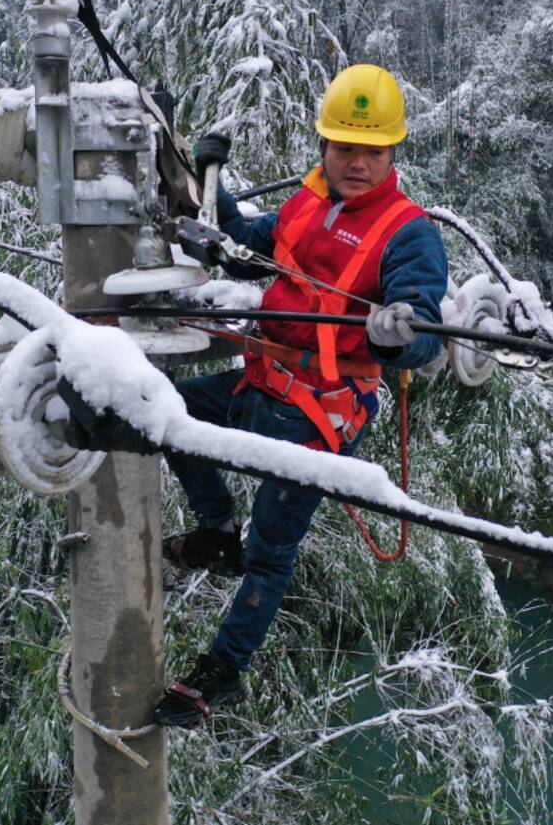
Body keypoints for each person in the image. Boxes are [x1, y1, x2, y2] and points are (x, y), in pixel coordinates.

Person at [152, 64, 448, 727]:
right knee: (169, 414)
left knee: (273, 550)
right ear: (323, 147)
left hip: (320, 411)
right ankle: (214, 529)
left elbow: (423, 327)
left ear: (393, 152)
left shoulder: (409, 234)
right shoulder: (309, 204)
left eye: (372, 150)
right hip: (262, 383)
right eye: (344, 146)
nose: (357, 163)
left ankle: (219, 674)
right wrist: (211, 180)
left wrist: (399, 335)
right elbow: (244, 249)